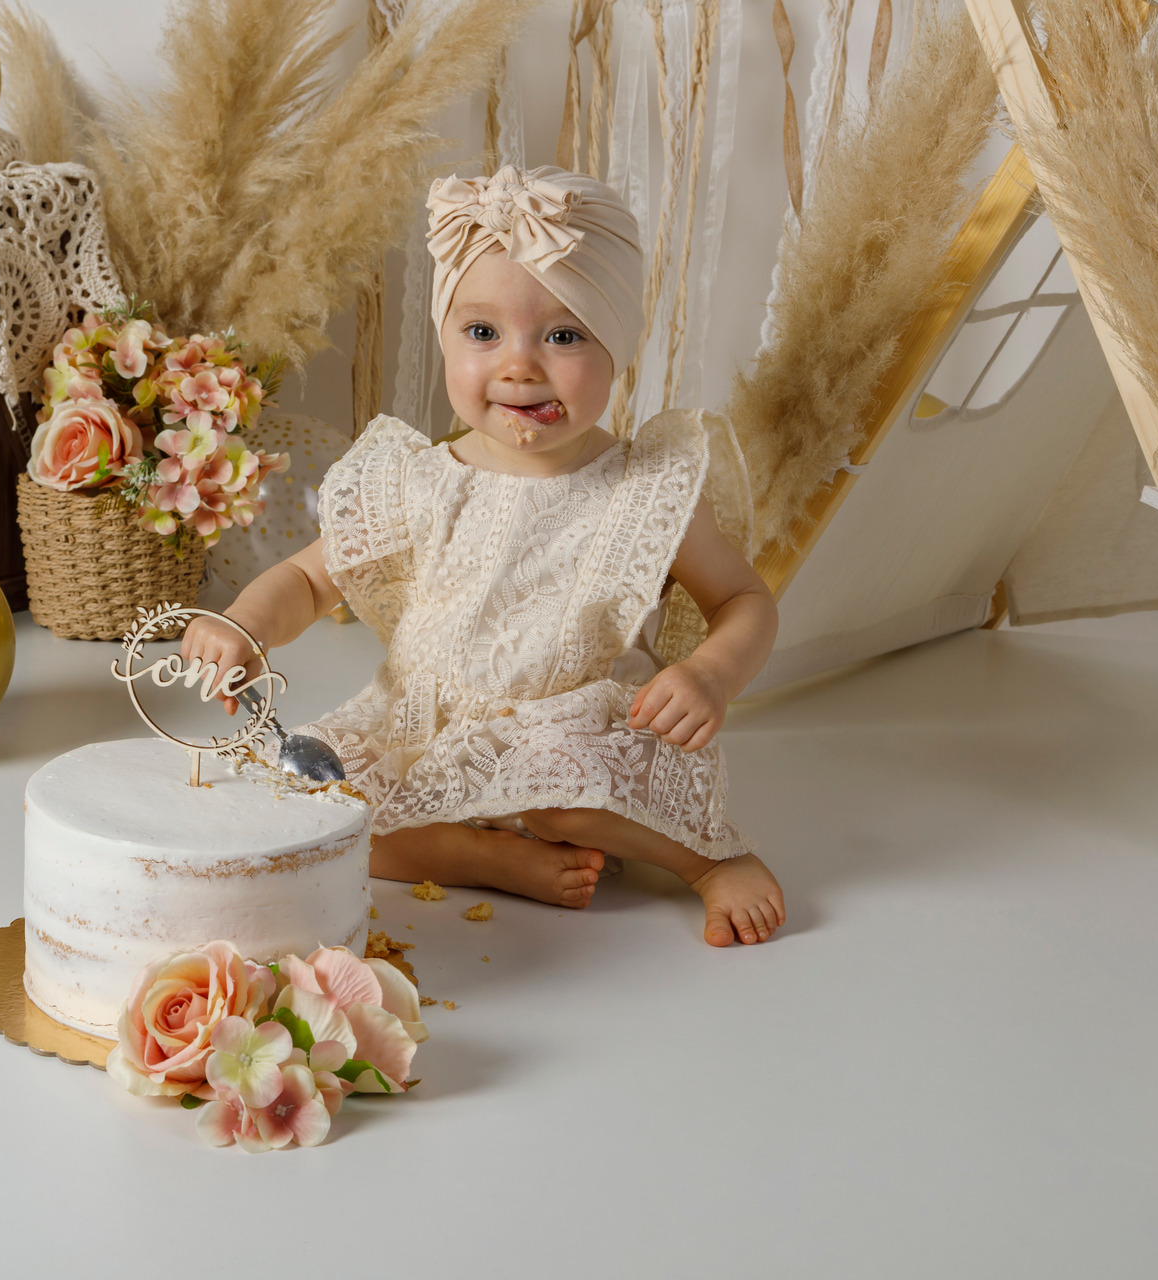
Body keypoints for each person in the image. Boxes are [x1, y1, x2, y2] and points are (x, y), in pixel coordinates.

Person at [182, 165, 784, 947]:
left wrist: (710, 674)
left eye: (563, 336)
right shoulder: (419, 480)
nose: (518, 365)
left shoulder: (645, 488)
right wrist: (243, 625)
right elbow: (307, 578)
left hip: (573, 738)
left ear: (618, 344)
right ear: (446, 338)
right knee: (312, 796)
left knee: (563, 789)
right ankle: (474, 856)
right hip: (424, 730)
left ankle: (708, 859)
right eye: (481, 333)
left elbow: (743, 600)